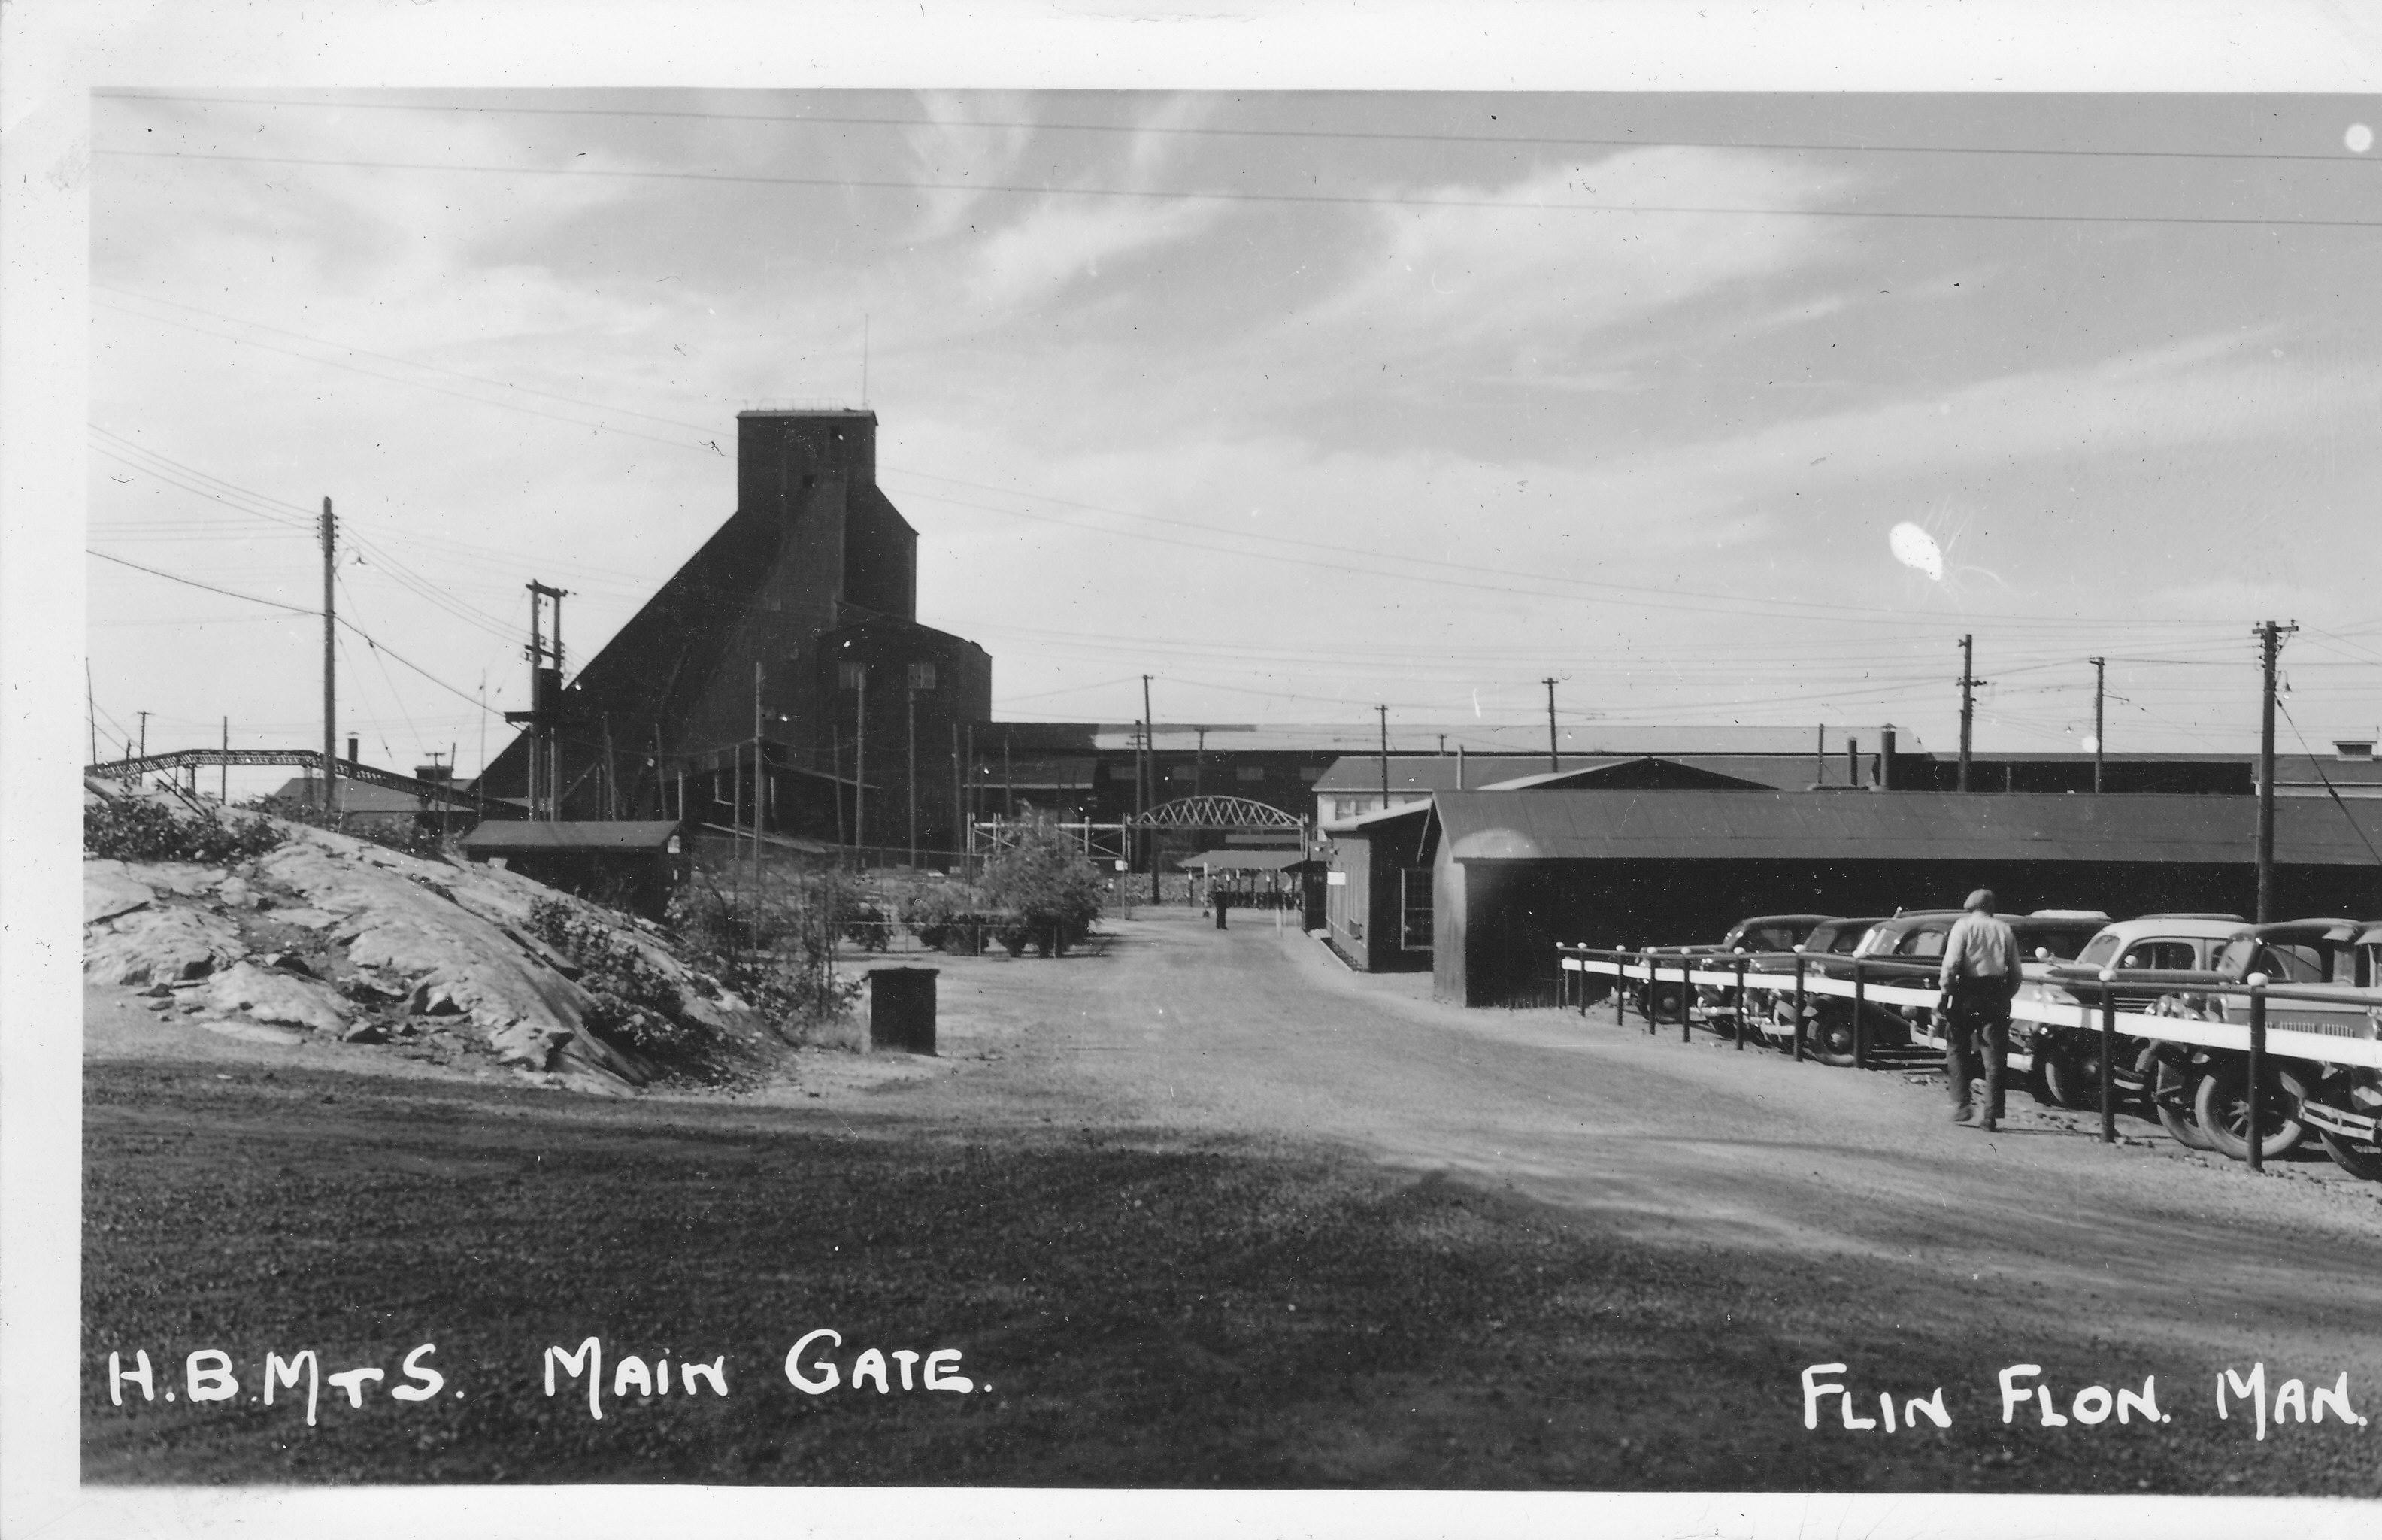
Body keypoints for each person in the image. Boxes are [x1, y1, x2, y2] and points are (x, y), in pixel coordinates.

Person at [1938, 888, 2023, 1131]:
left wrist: (1946, 994)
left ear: (1970, 907)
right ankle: (1991, 1115)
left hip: (1967, 992)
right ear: (1991, 907)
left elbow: (1952, 963)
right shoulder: (2004, 929)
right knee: (1994, 1056)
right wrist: (2005, 995)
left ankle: (1962, 1104)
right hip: (1996, 993)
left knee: (1956, 1047)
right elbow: (2016, 973)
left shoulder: (1963, 927)